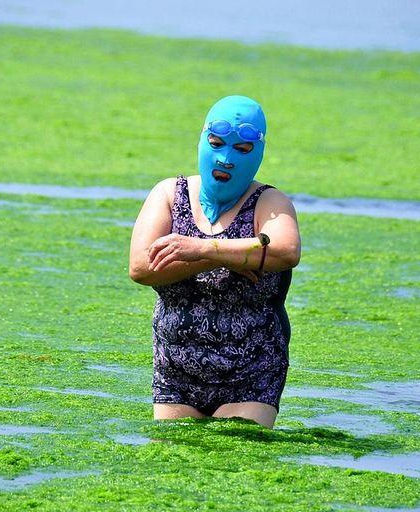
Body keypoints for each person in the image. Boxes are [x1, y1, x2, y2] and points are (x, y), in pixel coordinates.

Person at [129, 95, 301, 429]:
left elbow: (285, 251)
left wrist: (203, 249)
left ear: (258, 154)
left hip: (252, 372)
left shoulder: (269, 201)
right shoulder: (169, 194)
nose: (226, 159)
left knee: (235, 464)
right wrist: (226, 255)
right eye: (217, 144)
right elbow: (141, 267)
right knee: (169, 467)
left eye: (242, 150)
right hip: (175, 372)